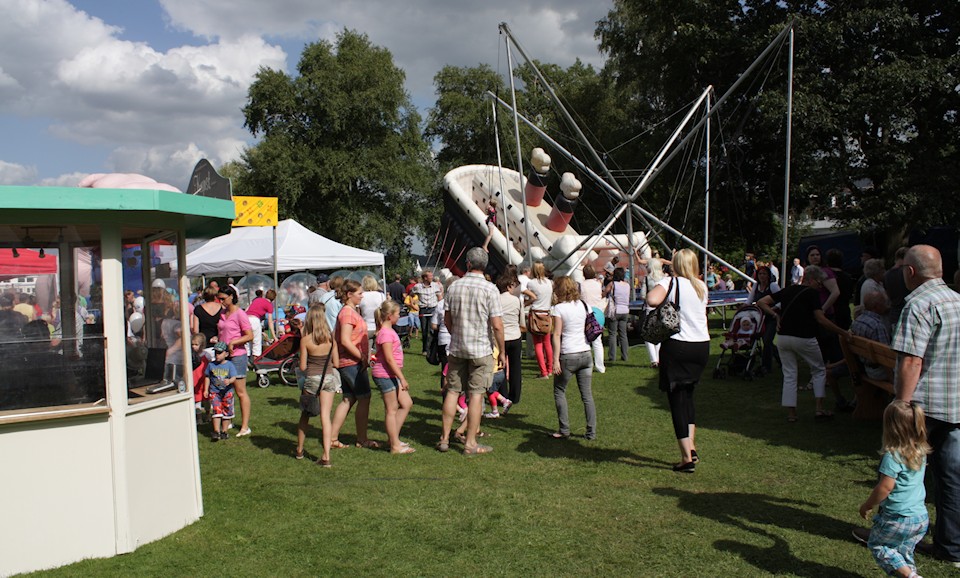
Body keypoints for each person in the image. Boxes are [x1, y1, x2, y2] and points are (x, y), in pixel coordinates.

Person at [890, 245, 960, 566]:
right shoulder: (957, 301)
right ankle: (952, 547)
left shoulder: (918, 304)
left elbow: (910, 362)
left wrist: (900, 406)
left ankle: (893, 535)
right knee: (951, 478)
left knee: (903, 473)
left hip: (922, 407)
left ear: (910, 271)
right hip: (955, 405)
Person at [646, 249, 710, 473]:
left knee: (677, 400)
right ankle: (690, 448)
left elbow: (651, 299)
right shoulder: (701, 286)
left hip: (679, 345)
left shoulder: (671, 283)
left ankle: (686, 457)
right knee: (689, 397)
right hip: (702, 345)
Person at [437, 247, 504, 455]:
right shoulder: (490, 289)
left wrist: (456, 334)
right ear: (484, 266)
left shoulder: (454, 287)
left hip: (457, 347)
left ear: (468, 264)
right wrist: (501, 351)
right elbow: (497, 325)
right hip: (480, 348)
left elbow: (447, 320)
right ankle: (470, 443)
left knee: (452, 391)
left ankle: (445, 438)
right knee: (476, 395)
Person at [757, 265, 844, 423]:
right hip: (805, 337)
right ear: (810, 280)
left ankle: (791, 414)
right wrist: (842, 332)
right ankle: (819, 409)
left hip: (783, 337)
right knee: (818, 370)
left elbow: (761, 302)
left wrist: (776, 316)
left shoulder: (788, 290)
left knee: (789, 374)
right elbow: (820, 318)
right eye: (819, 282)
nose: (820, 285)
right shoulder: (812, 294)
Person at [858, 400, 931, 578]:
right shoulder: (919, 450)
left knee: (878, 545)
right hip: (920, 517)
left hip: (898, 518)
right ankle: (909, 574)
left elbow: (885, 487)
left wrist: (867, 505)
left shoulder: (892, 456)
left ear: (890, 427)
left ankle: (912, 577)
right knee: (903, 552)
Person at [329, 279, 378, 449]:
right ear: (349, 295)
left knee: (348, 399)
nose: (362, 296)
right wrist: (362, 357)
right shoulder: (348, 313)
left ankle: (332, 438)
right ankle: (362, 439)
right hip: (351, 362)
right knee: (364, 398)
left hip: (349, 361)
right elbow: (345, 340)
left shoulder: (348, 312)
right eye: (359, 293)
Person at [549, 276, 597, 440]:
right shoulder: (584, 305)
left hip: (568, 354)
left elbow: (556, 334)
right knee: (587, 395)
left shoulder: (559, 309)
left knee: (559, 391)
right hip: (585, 352)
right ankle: (591, 432)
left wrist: (555, 360)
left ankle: (564, 429)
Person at [296, 303, 340, 466]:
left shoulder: (306, 340)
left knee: (305, 415)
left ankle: (299, 449)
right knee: (325, 417)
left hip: (312, 379)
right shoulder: (331, 339)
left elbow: (302, 367)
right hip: (329, 378)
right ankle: (326, 456)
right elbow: (336, 362)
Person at [371, 300, 416, 454]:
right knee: (392, 409)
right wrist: (402, 377)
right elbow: (389, 359)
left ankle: (393, 438)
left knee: (406, 403)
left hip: (390, 374)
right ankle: (394, 445)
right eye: (397, 314)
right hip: (385, 374)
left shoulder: (388, 331)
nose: (399, 317)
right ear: (390, 316)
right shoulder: (385, 333)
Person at [216, 286, 253, 437]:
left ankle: (245, 426)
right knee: (225, 390)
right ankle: (228, 419)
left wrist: (234, 342)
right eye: (220, 299)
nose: (221, 302)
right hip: (224, 356)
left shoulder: (240, 314)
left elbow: (249, 335)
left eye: (223, 298)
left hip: (237, 355)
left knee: (240, 391)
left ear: (232, 296)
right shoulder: (223, 313)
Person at [205, 341, 241, 441]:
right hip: (214, 392)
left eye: (219, 353)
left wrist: (229, 381)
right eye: (215, 352)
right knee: (216, 411)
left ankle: (224, 431)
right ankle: (216, 431)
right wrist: (205, 389)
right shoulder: (211, 365)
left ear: (226, 354)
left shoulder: (229, 365)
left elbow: (234, 377)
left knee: (227, 412)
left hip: (227, 392)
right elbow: (207, 377)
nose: (217, 355)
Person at [496, 273, 524, 402]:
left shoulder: (496, 300)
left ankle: (503, 394)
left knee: (501, 366)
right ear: (508, 286)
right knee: (515, 367)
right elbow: (521, 319)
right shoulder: (517, 300)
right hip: (515, 335)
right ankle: (515, 395)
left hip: (501, 336)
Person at [747, 265, 781, 373]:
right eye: (760, 274)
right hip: (760, 317)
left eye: (764, 274)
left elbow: (782, 299)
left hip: (772, 316)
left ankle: (766, 366)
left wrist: (774, 308)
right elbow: (749, 300)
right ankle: (780, 359)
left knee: (767, 340)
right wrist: (744, 308)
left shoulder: (773, 286)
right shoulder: (756, 286)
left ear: (768, 275)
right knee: (765, 341)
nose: (762, 276)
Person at [523, 261, 554, 378]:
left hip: (535, 314)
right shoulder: (549, 283)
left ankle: (543, 372)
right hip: (546, 314)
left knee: (538, 344)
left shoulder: (531, 283)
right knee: (547, 343)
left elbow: (528, 297)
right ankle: (550, 369)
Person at [579, 264, 606, 374]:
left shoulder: (581, 285)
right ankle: (600, 366)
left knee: (585, 340)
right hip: (598, 312)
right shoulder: (598, 284)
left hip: (586, 312)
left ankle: (587, 364)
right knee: (597, 342)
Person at [602, 267, 630, 364]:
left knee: (612, 334)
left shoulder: (612, 284)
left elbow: (604, 292)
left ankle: (612, 356)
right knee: (623, 334)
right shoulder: (627, 285)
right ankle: (625, 355)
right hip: (625, 310)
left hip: (615, 310)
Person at [643, 258, 667, 368]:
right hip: (662, 307)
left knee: (648, 333)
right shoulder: (665, 278)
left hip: (650, 308)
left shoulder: (647, 279)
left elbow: (643, 294)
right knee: (659, 333)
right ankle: (658, 357)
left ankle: (653, 360)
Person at [412, 270, 443, 354]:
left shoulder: (435, 285)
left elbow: (440, 296)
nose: (432, 277)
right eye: (430, 276)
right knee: (424, 330)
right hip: (423, 309)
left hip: (433, 309)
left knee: (432, 329)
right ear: (425, 278)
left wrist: (440, 306)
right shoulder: (417, 287)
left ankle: (432, 349)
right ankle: (424, 349)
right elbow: (411, 294)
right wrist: (414, 303)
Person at [245, 288, 275, 357]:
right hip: (255, 319)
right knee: (256, 342)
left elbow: (247, 309)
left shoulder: (257, 300)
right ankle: (256, 363)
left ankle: (246, 363)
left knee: (247, 341)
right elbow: (270, 321)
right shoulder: (269, 305)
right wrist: (274, 336)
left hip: (246, 318)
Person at [359, 275, 386, 352]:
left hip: (366, 326)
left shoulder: (361, 296)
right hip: (379, 326)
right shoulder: (381, 295)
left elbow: (358, 313)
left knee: (366, 352)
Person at [885, 247, 910, 326]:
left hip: (893, 313)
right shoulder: (905, 273)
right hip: (906, 312)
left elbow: (887, 294)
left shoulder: (887, 274)